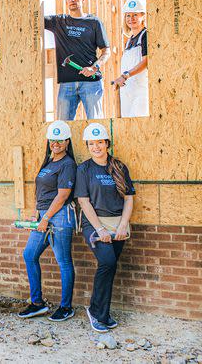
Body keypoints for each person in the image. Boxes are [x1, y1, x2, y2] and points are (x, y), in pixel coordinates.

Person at [75, 123, 134, 333]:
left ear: (107, 143)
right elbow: (83, 201)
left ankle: (103, 313)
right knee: (107, 262)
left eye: (100, 142)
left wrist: (123, 225)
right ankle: (96, 312)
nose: (96, 147)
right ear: (88, 146)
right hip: (94, 223)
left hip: (118, 223)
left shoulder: (119, 167)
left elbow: (129, 198)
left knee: (110, 267)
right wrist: (100, 230)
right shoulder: (84, 169)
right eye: (92, 143)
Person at [18, 120, 77, 322]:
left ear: (67, 141)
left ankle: (66, 306)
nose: (56, 143)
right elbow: (42, 192)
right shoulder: (49, 162)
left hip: (58, 216)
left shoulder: (68, 164)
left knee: (63, 261)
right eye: (53, 139)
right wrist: (37, 214)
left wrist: (46, 217)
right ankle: (37, 304)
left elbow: (62, 196)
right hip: (44, 215)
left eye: (60, 140)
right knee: (29, 255)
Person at [41, 0, 111, 120]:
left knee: (95, 123)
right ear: (66, 1)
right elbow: (36, 17)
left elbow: (106, 51)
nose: (72, 0)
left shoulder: (94, 22)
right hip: (67, 84)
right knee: (63, 126)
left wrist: (94, 67)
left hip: (91, 83)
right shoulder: (59, 22)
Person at [112, 0, 148, 118]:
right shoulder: (129, 41)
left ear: (143, 16)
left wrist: (125, 75)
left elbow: (146, 62)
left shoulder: (145, 35)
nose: (131, 19)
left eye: (135, 15)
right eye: (128, 15)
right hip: (128, 93)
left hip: (141, 93)